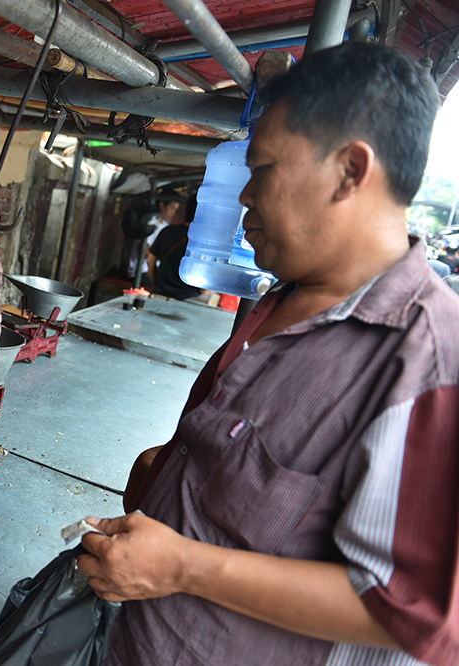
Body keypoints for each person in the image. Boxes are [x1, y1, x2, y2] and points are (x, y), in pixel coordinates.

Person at [78, 43, 459, 666]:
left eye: (265, 170)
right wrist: (174, 472)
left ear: (350, 172)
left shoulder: (426, 362)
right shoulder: (274, 298)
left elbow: (419, 612)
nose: (247, 197)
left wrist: (183, 565)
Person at [146, 196, 203, 301]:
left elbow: (150, 260)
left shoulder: (167, 231)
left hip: (160, 293)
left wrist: (157, 284)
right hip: (187, 297)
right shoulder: (202, 241)